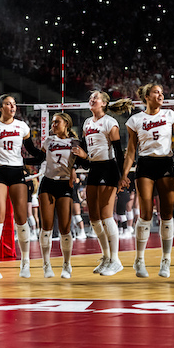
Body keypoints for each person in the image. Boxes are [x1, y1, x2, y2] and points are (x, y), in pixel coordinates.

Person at [120, 83, 174, 278]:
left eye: (162, 92)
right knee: (145, 214)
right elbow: (131, 151)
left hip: (165, 163)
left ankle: (165, 260)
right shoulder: (135, 120)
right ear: (147, 96)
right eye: (156, 92)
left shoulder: (170, 115)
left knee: (167, 214)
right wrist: (124, 174)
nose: (161, 95)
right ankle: (139, 260)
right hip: (145, 164)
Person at [72, 90, 133, 276]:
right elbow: (85, 159)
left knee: (106, 216)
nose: (92, 99)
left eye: (95, 97)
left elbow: (118, 152)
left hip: (109, 168)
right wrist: (80, 156)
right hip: (94, 169)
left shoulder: (110, 123)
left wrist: (123, 175)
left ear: (104, 104)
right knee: (94, 217)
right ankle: (106, 257)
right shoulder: (86, 123)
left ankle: (116, 260)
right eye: (90, 97)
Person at [0, 93, 32, 279]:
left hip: (17, 171)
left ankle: (25, 262)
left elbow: (31, 150)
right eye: (8, 104)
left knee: (21, 217)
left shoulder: (22, 126)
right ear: (0, 107)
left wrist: (46, 155)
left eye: (14, 104)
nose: (13, 106)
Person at [27, 113, 79, 278]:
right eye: (52, 122)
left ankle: (66, 264)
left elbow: (81, 162)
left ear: (66, 124)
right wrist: (19, 160)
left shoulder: (75, 142)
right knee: (46, 227)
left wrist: (74, 170)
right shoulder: (48, 141)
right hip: (47, 183)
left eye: (57, 121)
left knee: (65, 227)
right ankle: (46, 264)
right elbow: (39, 158)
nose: (53, 124)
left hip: (64, 184)